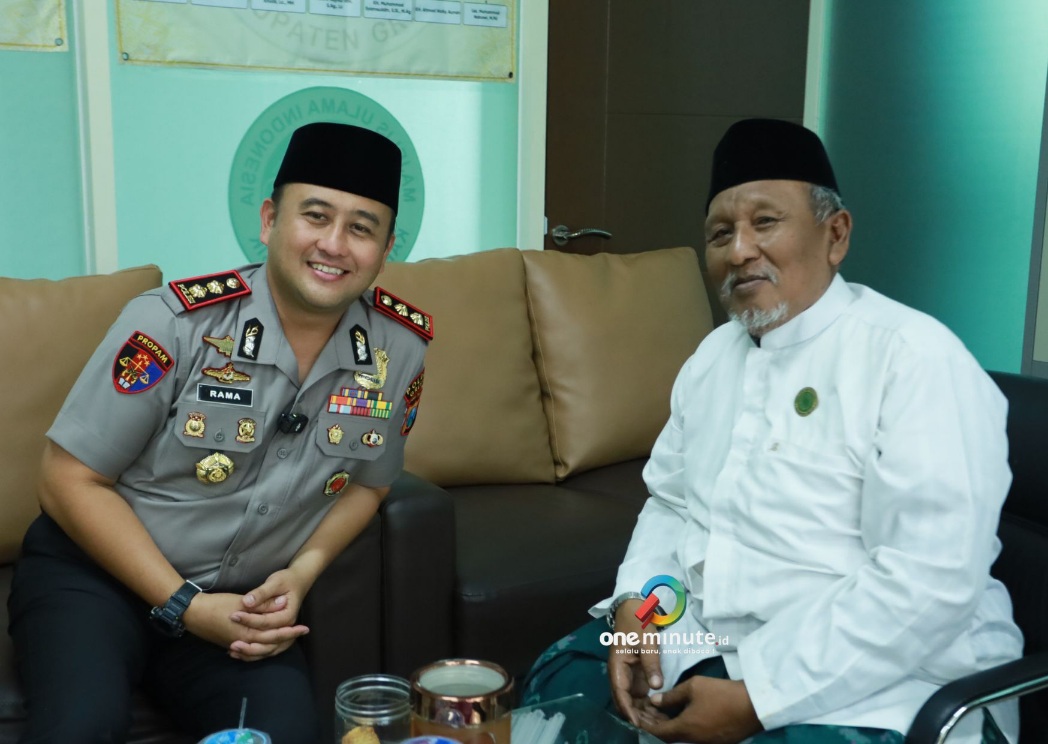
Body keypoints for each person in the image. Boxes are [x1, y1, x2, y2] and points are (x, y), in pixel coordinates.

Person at [522, 118, 1022, 744]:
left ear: (835, 235)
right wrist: (636, 609)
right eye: (720, 233)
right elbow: (672, 504)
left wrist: (759, 698)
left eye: (765, 222)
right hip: (712, 639)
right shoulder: (712, 358)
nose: (738, 251)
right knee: (557, 690)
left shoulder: (914, 358)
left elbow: (929, 583)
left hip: (889, 680)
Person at [7, 121, 432, 743]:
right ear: (269, 220)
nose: (334, 244)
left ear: (386, 248)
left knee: (284, 734)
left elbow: (370, 485)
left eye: (361, 228)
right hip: (95, 580)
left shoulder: (399, 349)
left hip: (236, 605)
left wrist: (302, 571)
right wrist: (183, 604)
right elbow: (66, 479)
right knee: (81, 729)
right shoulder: (173, 324)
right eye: (315, 216)